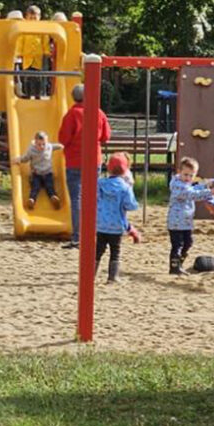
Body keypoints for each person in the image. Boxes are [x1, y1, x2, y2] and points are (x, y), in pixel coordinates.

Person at [58, 83, 112, 248]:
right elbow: (106, 136)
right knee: (92, 197)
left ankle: (78, 236)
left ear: (74, 97)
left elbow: (63, 138)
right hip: (94, 160)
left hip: (74, 161)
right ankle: (93, 233)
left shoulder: (71, 114)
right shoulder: (99, 113)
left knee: (77, 199)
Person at [167, 157, 214, 276]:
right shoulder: (177, 186)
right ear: (179, 172)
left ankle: (179, 264)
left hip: (186, 222)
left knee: (188, 242)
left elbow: (194, 187)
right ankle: (174, 267)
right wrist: (208, 192)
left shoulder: (186, 184)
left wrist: (204, 185)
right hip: (176, 222)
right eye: (185, 175)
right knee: (178, 244)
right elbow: (191, 194)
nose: (188, 178)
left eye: (191, 175)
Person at [95, 153, 139, 284]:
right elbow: (131, 205)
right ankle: (112, 277)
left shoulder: (100, 183)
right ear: (125, 170)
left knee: (98, 251)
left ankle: (91, 275)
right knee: (115, 251)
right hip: (116, 226)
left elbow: (94, 197)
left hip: (101, 225)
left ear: (108, 168)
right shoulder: (125, 187)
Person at [12, 130, 63, 209]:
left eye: (44, 144)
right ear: (35, 143)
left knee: (50, 186)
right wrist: (19, 159)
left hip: (48, 173)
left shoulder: (49, 147)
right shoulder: (31, 150)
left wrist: (61, 146)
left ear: (46, 142)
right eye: (39, 144)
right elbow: (26, 158)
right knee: (35, 187)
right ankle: (32, 200)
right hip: (36, 174)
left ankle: (53, 197)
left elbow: (54, 146)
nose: (42, 146)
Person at [15, 5, 47, 98]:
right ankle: (27, 95)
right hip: (27, 55)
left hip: (38, 56)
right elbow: (20, 40)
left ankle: (37, 95)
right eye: (30, 17)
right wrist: (18, 52)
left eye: (35, 17)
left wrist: (46, 51)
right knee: (27, 76)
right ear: (26, 17)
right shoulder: (24, 27)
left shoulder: (42, 28)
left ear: (39, 17)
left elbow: (45, 40)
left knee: (38, 77)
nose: (33, 20)